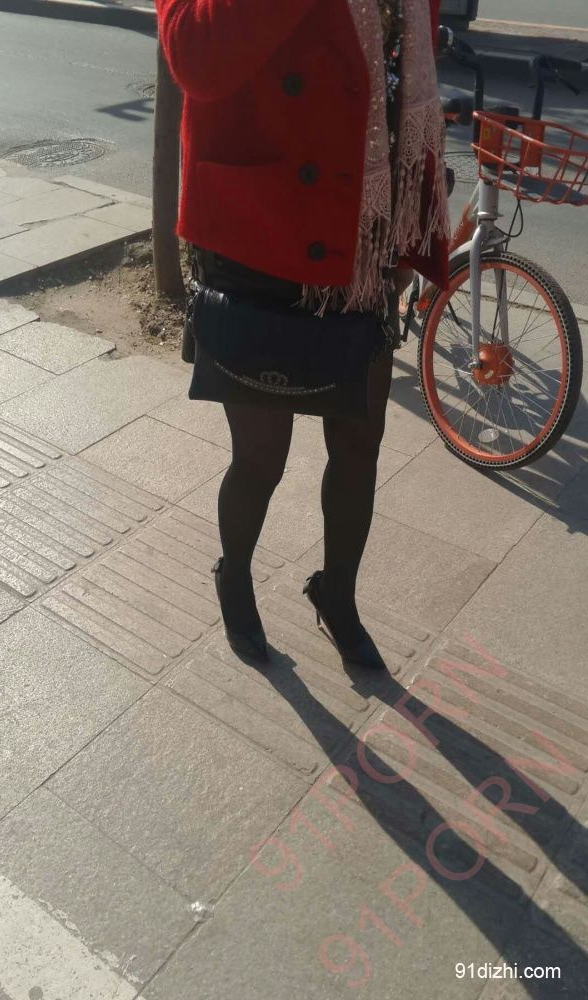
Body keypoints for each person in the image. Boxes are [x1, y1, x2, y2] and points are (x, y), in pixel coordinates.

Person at [156, 0, 449, 669]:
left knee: (359, 442)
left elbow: (403, 72)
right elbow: (195, 57)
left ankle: (336, 593)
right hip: (263, 225)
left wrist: (411, 221)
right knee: (262, 456)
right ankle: (234, 572)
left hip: (364, 231)